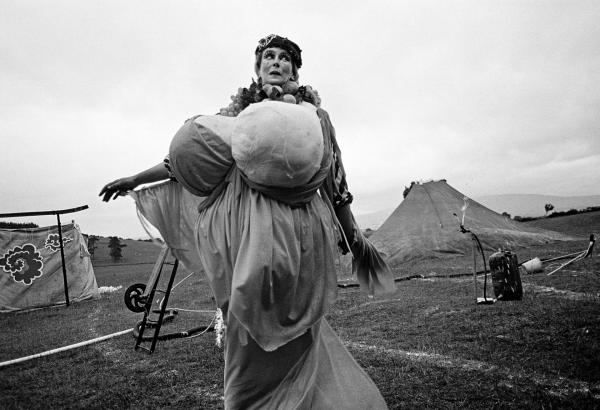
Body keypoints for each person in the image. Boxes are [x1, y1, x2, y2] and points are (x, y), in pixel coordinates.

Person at [100, 34, 394, 409]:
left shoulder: (314, 117)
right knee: (243, 325)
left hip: (298, 238)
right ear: (257, 67)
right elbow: (188, 161)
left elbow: (336, 184)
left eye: (285, 57)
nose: (276, 62)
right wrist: (136, 179)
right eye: (268, 56)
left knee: (297, 333)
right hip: (243, 239)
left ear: (295, 68)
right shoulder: (239, 116)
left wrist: (355, 240)